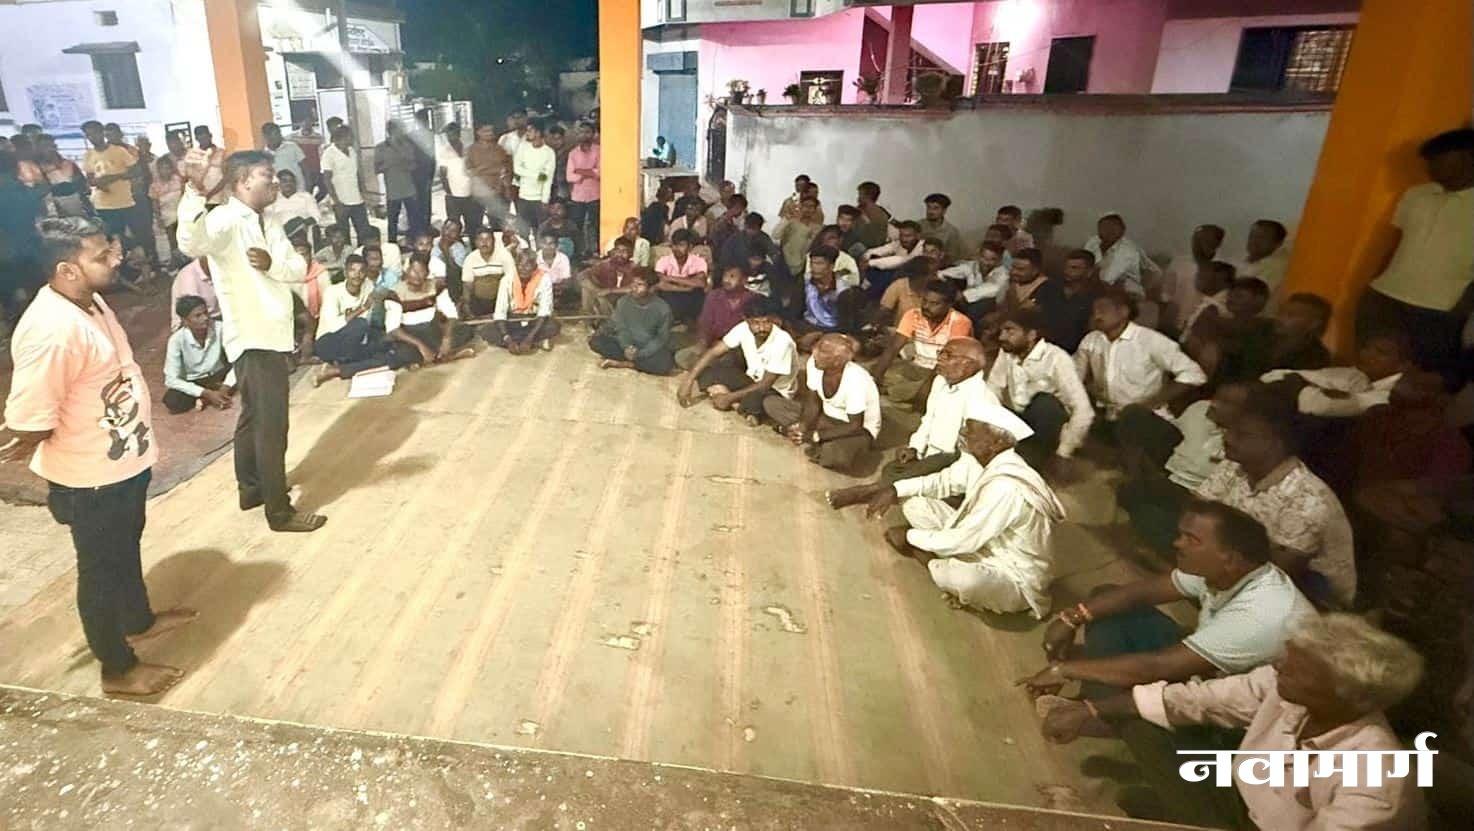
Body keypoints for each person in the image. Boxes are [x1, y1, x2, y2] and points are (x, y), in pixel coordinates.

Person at [1, 216, 195, 696]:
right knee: (101, 571)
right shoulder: (51, 329)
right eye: (102, 255)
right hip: (89, 478)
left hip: (122, 462)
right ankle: (117, 668)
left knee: (126, 545)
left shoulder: (90, 299)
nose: (116, 258)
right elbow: (30, 420)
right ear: (67, 270)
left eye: (111, 248)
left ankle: (138, 619)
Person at [1040, 614, 1426, 830]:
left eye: (1299, 668)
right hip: (1239, 797)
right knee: (1141, 717)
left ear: (1348, 695)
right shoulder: (1287, 688)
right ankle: (1181, 811)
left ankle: (1182, 814)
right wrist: (1091, 710)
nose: (1280, 666)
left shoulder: (1376, 779)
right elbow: (1201, 700)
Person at [1020, 500, 1316, 705]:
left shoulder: (1262, 615)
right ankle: (1101, 699)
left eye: (1192, 540)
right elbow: (1143, 593)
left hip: (1249, 715)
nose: (1177, 544)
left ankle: (1103, 711)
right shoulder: (1228, 570)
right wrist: (1073, 616)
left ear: (1231, 558)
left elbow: (1156, 666)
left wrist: (1065, 669)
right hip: (1211, 670)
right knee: (1105, 600)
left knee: (1144, 713)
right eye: (1182, 535)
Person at [176, 150, 324, 533]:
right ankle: (280, 512)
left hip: (271, 334)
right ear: (243, 182)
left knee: (253, 417)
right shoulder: (225, 219)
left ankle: (252, 489)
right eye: (266, 175)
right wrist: (194, 190)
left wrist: (272, 264)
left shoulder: (269, 220)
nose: (274, 181)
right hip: (254, 337)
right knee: (272, 426)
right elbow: (191, 243)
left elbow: (298, 267)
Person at [845, 410, 1062, 618]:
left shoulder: (1007, 487)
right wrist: (896, 490)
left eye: (972, 432)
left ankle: (925, 556)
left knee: (965, 580)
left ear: (996, 443)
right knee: (914, 504)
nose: (963, 434)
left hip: (1011, 572)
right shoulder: (979, 460)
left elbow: (965, 540)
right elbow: (942, 482)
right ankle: (937, 555)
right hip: (979, 542)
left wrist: (910, 537)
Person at [1197, 399, 1356, 608]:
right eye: (1229, 430)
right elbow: (1196, 512)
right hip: (1235, 563)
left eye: (1242, 434)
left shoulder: (1310, 499)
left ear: (1276, 443)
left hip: (1309, 594)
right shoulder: (1235, 466)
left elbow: (1275, 573)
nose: (1227, 438)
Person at [1357, 127, 1474, 375]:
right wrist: (1374, 283)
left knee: (1416, 380)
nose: (1430, 167)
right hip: (1384, 297)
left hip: (1438, 310)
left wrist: (1461, 309)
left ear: (1467, 158)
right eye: (1430, 160)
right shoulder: (1416, 195)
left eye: (1439, 159)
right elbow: (1397, 243)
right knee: (1366, 370)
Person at [834, 338, 1000, 487]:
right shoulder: (941, 382)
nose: (940, 359)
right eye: (941, 353)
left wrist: (934, 465)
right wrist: (914, 447)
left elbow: (970, 454)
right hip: (930, 454)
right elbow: (928, 419)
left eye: (948, 355)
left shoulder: (982, 399)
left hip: (953, 461)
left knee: (896, 479)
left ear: (968, 365)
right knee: (892, 469)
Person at [1116, 381, 1252, 556]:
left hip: (1193, 492)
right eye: (1217, 397)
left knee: (1144, 509)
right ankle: (1138, 485)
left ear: (1245, 413)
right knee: (1134, 414)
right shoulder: (1200, 408)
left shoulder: (1243, 445)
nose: (1214, 404)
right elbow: (1172, 433)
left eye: (1226, 403)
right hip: (1170, 467)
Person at [1075, 289, 1207, 460]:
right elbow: (1074, 376)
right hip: (1110, 418)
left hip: (1147, 420)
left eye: (1103, 310)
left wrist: (1150, 404)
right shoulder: (1091, 340)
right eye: (1094, 311)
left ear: (1123, 312)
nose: (1096, 316)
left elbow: (1194, 374)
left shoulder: (1150, 340)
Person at [989, 307, 1094, 470]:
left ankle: (1037, 460)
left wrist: (1064, 452)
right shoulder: (1007, 353)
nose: (1002, 337)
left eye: (1010, 331)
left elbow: (1083, 410)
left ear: (1031, 335)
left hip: (1048, 427)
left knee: (1044, 404)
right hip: (1021, 421)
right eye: (1002, 331)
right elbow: (993, 389)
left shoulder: (1056, 358)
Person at [763, 333, 881, 473]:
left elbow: (855, 426)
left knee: (834, 457)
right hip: (825, 418)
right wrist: (804, 425)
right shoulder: (814, 364)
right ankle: (811, 439)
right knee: (772, 404)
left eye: (823, 351)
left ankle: (818, 441)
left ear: (837, 361)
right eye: (818, 346)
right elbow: (813, 401)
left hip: (857, 431)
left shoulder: (856, 380)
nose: (815, 352)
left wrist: (816, 435)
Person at [677, 295, 797, 423]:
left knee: (766, 403)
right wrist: (688, 381)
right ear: (746, 320)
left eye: (766, 322)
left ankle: (736, 404)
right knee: (708, 370)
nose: (761, 328)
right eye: (756, 323)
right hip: (750, 381)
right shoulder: (743, 328)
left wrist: (729, 397)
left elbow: (765, 384)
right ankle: (741, 407)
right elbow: (713, 352)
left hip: (773, 391)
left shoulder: (783, 342)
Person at [1261, 330, 1412, 418]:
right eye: (1367, 348)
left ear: (1403, 365)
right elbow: (1272, 377)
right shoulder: (1353, 374)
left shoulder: (1397, 393)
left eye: (1381, 352)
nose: (1368, 354)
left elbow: (1322, 406)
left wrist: (1302, 384)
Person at [869, 279, 973, 407]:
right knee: (871, 370)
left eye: (934, 303)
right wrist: (875, 379)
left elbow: (948, 362)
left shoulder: (959, 322)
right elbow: (893, 348)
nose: (926, 306)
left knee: (937, 387)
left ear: (949, 305)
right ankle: (897, 394)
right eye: (924, 301)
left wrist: (926, 388)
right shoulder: (913, 315)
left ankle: (894, 393)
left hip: (941, 372)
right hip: (915, 367)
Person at [312, 254, 394, 386]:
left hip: (353, 343)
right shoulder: (332, 292)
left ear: (366, 274)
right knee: (360, 325)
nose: (357, 275)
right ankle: (347, 362)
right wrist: (362, 308)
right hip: (327, 343)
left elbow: (370, 316)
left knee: (385, 348)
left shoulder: (368, 286)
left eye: (361, 271)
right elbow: (333, 326)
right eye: (352, 270)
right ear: (345, 273)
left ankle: (337, 369)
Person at [384, 253, 476, 367]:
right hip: (411, 334)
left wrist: (446, 338)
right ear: (407, 271)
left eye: (421, 271)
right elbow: (393, 329)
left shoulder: (436, 286)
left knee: (466, 331)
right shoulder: (394, 293)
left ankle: (432, 358)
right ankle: (448, 356)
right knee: (401, 354)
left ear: (427, 273)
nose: (417, 275)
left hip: (433, 331)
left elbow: (451, 315)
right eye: (414, 271)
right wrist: (420, 345)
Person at [81, 120, 153, 264]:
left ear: (102, 133)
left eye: (94, 133)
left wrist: (113, 177)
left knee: (138, 237)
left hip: (125, 202)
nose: (92, 137)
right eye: (88, 135)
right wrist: (100, 183)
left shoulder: (119, 151)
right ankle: (123, 269)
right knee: (113, 241)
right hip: (103, 205)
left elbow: (136, 171)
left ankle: (147, 268)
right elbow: (90, 180)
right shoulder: (88, 155)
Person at [589, 270, 674, 374]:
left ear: (651, 289)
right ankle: (636, 363)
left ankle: (625, 364)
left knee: (665, 364)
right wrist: (626, 347)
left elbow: (661, 338)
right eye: (633, 283)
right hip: (626, 343)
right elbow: (621, 328)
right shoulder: (623, 302)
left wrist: (640, 353)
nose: (634, 287)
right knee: (596, 341)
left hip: (646, 347)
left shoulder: (662, 308)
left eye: (640, 284)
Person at [163, 295, 233, 414]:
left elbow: (238, 358)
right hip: (195, 380)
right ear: (185, 321)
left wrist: (225, 387)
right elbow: (170, 379)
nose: (205, 318)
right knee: (172, 401)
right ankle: (208, 396)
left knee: (246, 371)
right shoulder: (176, 340)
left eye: (206, 313)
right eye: (198, 316)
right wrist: (206, 393)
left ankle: (215, 395)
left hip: (218, 375)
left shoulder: (219, 328)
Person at [486, 248, 560, 353]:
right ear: (516, 266)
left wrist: (529, 338)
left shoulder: (544, 279)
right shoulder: (507, 279)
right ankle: (534, 342)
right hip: (513, 320)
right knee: (487, 330)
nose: (523, 269)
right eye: (520, 265)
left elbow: (544, 312)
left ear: (535, 267)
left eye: (527, 265)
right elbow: (500, 312)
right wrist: (508, 339)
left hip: (535, 320)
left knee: (553, 326)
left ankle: (524, 341)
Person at [1157, 224, 1225, 335]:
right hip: (1172, 327)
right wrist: (1162, 323)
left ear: (1217, 243)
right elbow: (1165, 296)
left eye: (1205, 240)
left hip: (1200, 333)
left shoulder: (1224, 270)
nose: (1197, 244)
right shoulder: (1179, 263)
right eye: (1195, 240)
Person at [1034, 248, 1104, 353]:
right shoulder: (1049, 286)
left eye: (1075, 268)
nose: (1067, 271)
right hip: (1044, 345)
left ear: (1089, 272)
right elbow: (1032, 311)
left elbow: (1095, 329)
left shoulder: (1098, 295)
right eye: (1066, 267)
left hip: (1076, 350)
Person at [1084, 213, 1161, 298]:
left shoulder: (1128, 250)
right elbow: (1084, 265)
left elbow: (1108, 279)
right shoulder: (1093, 242)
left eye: (1113, 228)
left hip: (1128, 293)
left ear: (1123, 231)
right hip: (1101, 289)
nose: (1108, 231)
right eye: (1104, 227)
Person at [321, 125, 368, 244]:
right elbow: (327, 179)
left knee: (363, 231)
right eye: (350, 136)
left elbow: (356, 173)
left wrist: (363, 192)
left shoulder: (352, 151)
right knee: (344, 233)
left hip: (357, 199)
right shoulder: (329, 153)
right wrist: (336, 201)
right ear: (342, 137)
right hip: (341, 201)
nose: (352, 138)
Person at [942, 241, 1009, 322]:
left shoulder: (1003, 274)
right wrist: (954, 291)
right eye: (984, 258)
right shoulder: (972, 265)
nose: (986, 263)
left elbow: (993, 289)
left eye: (992, 259)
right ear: (979, 256)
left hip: (990, 307)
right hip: (965, 303)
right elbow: (943, 274)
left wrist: (964, 295)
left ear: (999, 260)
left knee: (985, 303)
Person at [375, 121, 419, 245]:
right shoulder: (381, 147)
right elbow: (376, 169)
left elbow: (414, 165)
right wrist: (389, 164)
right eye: (400, 129)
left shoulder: (407, 145)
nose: (402, 132)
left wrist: (405, 164)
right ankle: (392, 246)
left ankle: (413, 242)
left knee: (413, 218)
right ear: (392, 131)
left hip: (409, 189)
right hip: (393, 191)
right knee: (392, 221)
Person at [1230, 219, 1292, 304]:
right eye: (1252, 236)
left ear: (1278, 244)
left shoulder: (1278, 267)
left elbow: (1248, 298)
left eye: (1261, 238)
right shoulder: (1237, 259)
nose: (1254, 241)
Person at [654, 228, 709, 322]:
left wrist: (669, 278)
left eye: (681, 245)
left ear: (690, 247)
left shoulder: (699, 261)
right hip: (671, 297)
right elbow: (659, 283)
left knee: (699, 293)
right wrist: (687, 286)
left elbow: (701, 283)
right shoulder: (663, 261)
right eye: (674, 245)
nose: (676, 248)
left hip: (691, 299)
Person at [465, 122, 511, 230]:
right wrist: (491, 169)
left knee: (498, 225)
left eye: (491, 131)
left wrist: (482, 169)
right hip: (479, 192)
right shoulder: (472, 150)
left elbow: (504, 169)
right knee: (475, 225)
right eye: (486, 131)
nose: (489, 133)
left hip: (497, 191)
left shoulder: (499, 149)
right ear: (478, 133)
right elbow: (470, 171)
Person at [579, 236, 639, 317]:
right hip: (605, 299)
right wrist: (596, 290)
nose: (620, 254)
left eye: (624, 251)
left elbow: (634, 288)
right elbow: (582, 276)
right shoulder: (604, 265)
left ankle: (609, 320)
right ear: (613, 251)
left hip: (625, 303)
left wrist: (610, 290)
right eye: (618, 250)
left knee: (603, 298)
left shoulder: (634, 268)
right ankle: (588, 320)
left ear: (631, 254)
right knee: (587, 288)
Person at [512, 120, 556, 231]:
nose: (527, 133)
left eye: (530, 131)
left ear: (538, 133)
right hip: (523, 197)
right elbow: (517, 169)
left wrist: (545, 200)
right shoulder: (522, 147)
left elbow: (548, 179)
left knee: (541, 231)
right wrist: (538, 175)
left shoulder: (549, 152)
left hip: (539, 199)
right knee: (523, 231)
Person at [862, 219, 923, 299]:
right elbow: (882, 249)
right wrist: (866, 257)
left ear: (918, 235)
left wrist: (870, 263)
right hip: (896, 276)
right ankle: (865, 292)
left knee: (887, 273)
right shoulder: (899, 243)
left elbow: (903, 260)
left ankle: (867, 296)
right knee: (877, 268)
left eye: (908, 236)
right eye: (901, 235)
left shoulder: (922, 247)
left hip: (913, 279)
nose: (904, 239)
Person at [436, 122, 478, 237]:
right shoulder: (444, 151)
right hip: (453, 195)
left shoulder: (468, 149)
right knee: (454, 226)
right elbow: (442, 174)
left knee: (472, 225)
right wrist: (449, 192)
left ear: (459, 134)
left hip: (469, 193)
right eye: (448, 135)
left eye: (453, 133)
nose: (451, 137)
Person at [566, 121, 600, 253]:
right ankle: (578, 253)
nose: (584, 135)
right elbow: (569, 177)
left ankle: (596, 251)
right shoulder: (573, 153)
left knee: (595, 225)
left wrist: (580, 171)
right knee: (577, 225)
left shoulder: (600, 150)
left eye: (587, 132)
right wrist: (590, 172)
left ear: (593, 134)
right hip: (578, 196)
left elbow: (601, 173)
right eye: (581, 132)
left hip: (596, 195)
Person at [148, 155, 185, 263]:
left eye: (168, 168)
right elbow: (155, 204)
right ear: (158, 170)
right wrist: (158, 218)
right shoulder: (155, 186)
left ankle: (184, 259)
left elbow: (184, 194)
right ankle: (176, 260)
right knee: (172, 239)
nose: (166, 171)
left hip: (181, 212)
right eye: (163, 168)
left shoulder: (178, 180)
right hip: (167, 215)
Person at [264, 170, 319, 235]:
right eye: (284, 181)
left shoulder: (306, 196)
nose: (288, 183)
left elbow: (316, 216)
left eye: (291, 181)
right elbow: (268, 219)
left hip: (304, 229)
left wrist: (304, 223)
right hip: (280, 231)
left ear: (295, 183)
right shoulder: (273, 198)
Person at [996, 247, 1049, 315]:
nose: (1013, 272)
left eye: (1020, 269)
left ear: (1035, 271)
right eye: (1013, 267)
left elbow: (1024, 313)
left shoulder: (1046, 288)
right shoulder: (1012, 281)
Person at [169, 257, 219, 327]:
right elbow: (194, 315)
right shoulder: (189, 279)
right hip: (197, 323)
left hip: (216, 316)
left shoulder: (216, 270)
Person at [534, 231, 575, 306]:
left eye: (551, 243)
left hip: (559, 292)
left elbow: (566, 280)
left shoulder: (563, 258)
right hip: (540, 291)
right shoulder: (534, 258)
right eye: (545, 243)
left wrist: (554, 289)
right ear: (540, 244)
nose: (548, 246)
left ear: (557, 245)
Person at [918, 193, 963, 260]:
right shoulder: (918, 226)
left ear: (944, 211)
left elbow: (952, 257)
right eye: (929, 207)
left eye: (935, 208)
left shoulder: (951, 232)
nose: (930, 211)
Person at [261, 122, 306, 186]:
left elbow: (305, 167)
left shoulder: (292, 147)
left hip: (298, 187)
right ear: (266, 137)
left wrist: (308, 186)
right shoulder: (263, 156)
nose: (278, 137)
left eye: (278, 133)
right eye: (273, 135)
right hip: (278, 190)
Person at [853, 181, 892, 250]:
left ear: (867, 196)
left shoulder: (862, 213)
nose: (858, 198)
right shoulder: (882, 212)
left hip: (867, 249)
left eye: (860, 194)